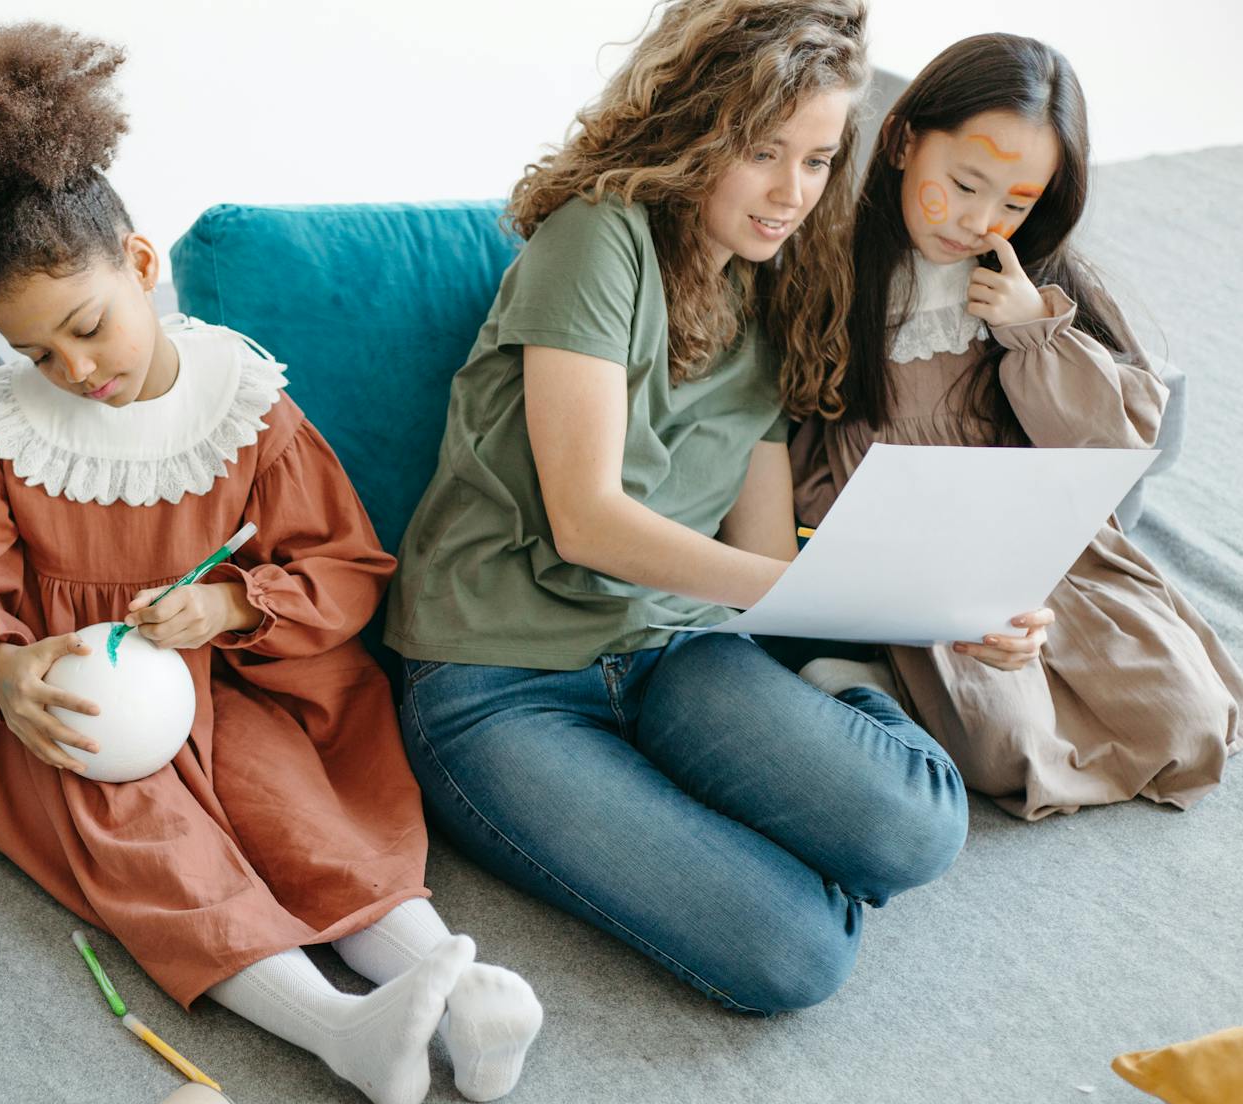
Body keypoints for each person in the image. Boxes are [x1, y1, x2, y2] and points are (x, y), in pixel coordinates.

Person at [0, 21, 541, 1104]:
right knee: (152, 842)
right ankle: (340, 1028)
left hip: (240, 677)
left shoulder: (246, 407)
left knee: (292, 807)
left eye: (87, 326)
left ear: (144, 267)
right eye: (36, 353)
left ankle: (460, 989)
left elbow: (344, 564)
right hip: (76, 707)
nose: (75, 372)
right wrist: (4, 672)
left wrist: (230, 605)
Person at [385, 0, 968, 1015]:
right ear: (696, 129)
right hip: (495, 681)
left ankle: (834, 696)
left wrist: (937, 608)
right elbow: (587, 520)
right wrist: (805, 587)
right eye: (760, 151)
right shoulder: (594, 239)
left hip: (673, 648)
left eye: (818, 160)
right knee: (794, 958)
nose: (789, 193)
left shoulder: (783, 282)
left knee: (918, 828)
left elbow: (754, 546)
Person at [789, 33, 1242, 819]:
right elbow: (800, 456)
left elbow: (1116, 444)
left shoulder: (1036, 287)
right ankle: (883, 677)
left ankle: (930, 681)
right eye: (964, 184)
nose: (979, 220)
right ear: (902, 141)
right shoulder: (835, 272)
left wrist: (1037, 333)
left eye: (1015, 202)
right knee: (1005, 747)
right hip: (927, 563)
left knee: (1191, 717)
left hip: (1048, 546)